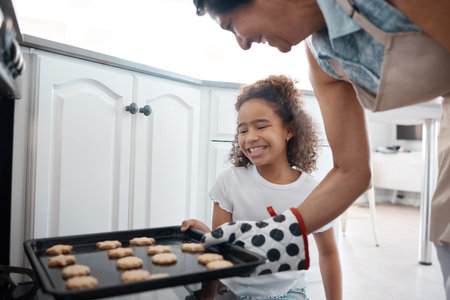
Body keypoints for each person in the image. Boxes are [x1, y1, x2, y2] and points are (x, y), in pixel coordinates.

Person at [191, 0, 450, 298]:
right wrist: (278, 231)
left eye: (231, 25)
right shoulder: (320, 57)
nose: (243, 44)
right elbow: (352, 171)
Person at [181, 75, 342, 300]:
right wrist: (204, 234)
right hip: (232, 289)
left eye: (261, 126)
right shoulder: (229, 181)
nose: (250, 138)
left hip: (287, 292)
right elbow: (221, 249)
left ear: (289, 130)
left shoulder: (311, 190)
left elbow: (329, 253)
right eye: (243, 130)